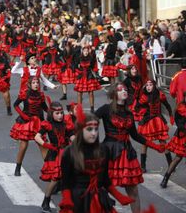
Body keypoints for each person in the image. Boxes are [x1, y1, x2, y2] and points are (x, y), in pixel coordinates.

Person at [95, 83, 165, 213]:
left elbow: (135, 135)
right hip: (109, 152)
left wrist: (154, 146)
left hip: (127, 153)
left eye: (125, 89)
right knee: (102, 187)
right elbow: (90, 121)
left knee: (133, 189)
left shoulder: (128, 113)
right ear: (114, 94)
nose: (124, 91)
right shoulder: (106, 109)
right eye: (120, 89)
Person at [59, 106, 135, 213]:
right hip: (78, 201)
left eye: (96, 129)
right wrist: (67, 199)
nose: (94, 133)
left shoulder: (103, 150)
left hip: (99, 199)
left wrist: (119, 196)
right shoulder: (69, 152)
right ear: (80, 130)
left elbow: (105, 180)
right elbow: (65, 182)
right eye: (89, 129)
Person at [34, 102, 75, 212]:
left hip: (66, 152)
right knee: (55, 179)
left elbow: (72, 136)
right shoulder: (48, 124)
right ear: (52, 114)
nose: (60, 115)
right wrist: (47, 145)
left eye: (61, 113)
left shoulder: (66, 123)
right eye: (57, 113)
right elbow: (37, 137)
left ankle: (70, 203)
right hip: (55, 154)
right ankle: (46, 201)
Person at [10, 76, 49, 176]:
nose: (36, 84)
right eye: (34, 83)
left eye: (37, 83)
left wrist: (53, 112)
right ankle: (18, 167)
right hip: (26, 123)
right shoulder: (25, 93)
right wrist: (24, 116)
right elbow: (15, 105)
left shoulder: (41, 95)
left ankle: (50, 168)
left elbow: (45, 108)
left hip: (38, 122)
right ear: (30, 84)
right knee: (23, 146)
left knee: (42, 145)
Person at [135, 80, 173, 172]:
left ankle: (171, 165)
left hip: (158, 121)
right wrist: (143, 112)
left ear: (154, 86)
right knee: (145, 143)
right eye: (147, 85)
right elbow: (136, 107)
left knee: (163, 142)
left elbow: (168, 106)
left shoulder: (160, 95)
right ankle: (143, 167)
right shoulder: (144, 97)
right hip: (148, 122)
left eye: (150, 85)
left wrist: (171, 117)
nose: (148, 87)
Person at [161, 92, 186, 188]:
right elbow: (179, 123)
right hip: (183, 135)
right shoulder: (181, 108)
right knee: (178, 158)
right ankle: (166, 178)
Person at [74, 46, 101, 113]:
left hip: (89, 76)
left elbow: (94, 64)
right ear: (82, 51)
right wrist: (78, 71)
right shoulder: (79, 58)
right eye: (84, 51)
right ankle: (79, 108)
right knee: (79, 93)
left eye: (87, 51)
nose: (85, 52)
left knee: (91, 93)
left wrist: (93, 51)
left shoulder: (91, 58)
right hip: (81, 76)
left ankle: (92, 108)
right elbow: (75, 66)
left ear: (88, 51)